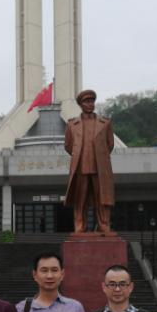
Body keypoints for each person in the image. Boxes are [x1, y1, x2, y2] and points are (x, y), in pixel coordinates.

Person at [63, 89, 115, 233]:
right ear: (80, 104)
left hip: (100, 168)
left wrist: (100, 156)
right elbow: (68, 146)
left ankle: (104, 224)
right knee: (80, 199)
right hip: (81, 167)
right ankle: (80, 225)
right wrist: (80, 156)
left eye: (92, 101)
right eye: (87, 102)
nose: (90, 104)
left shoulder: (105, 123)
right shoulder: (72, 124)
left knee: (102, 198)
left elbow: (110, 144)